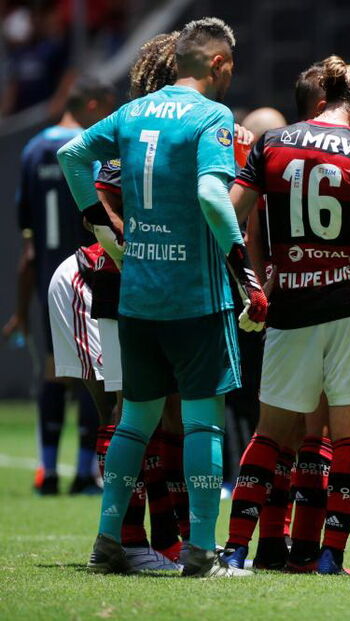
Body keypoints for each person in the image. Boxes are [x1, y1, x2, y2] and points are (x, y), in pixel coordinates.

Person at [57, 17, 267, 578]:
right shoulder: (212, 116)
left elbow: (73, 155)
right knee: (202, 423)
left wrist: (101, 224)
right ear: (219, 63)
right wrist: (245, 274)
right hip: (195, 297)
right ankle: (201, 551)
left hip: (138, 296)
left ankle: (108, 541)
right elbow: (212, 195)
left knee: (134, 421)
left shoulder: (133, 112)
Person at [227, 55, 350, 575]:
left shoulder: (272, 143)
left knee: (268, 434)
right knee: (347, 436)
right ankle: (330, 556)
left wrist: (253, 281)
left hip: (290, 305)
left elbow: (230, 213)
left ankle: (236, 549)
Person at [6, 76, 115, 496]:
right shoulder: (88, 150)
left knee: (53, 370)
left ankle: (47, 471)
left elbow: (29, 242)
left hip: (49, 280)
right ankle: (86, 472)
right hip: (88, 273)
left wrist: (21, 307)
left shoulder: (33, 150)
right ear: (94, 105)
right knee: (94, 369)